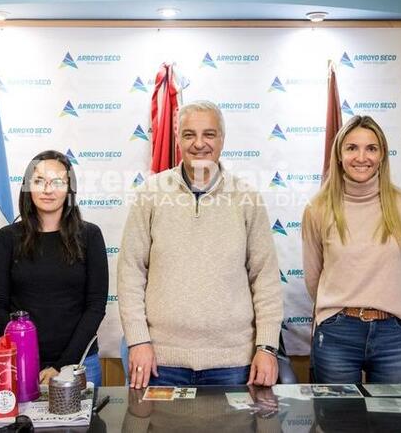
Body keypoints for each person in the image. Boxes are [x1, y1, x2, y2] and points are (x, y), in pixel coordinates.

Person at [118, 100, 283, 389]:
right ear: (178, 139)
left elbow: (266, 279)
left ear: (222, 139)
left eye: (209, 134)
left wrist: (267, 347)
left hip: (233, 362)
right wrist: (138, 340)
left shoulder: (247, 198)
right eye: (189, 134)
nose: (199, 144)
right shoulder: (151, 195)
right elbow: (130, 273)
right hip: (161, 361)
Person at [302, 115, 401, 384]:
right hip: (337, 334)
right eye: (351, 148)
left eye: (371, 148)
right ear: (339, 155)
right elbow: (314, 278)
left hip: (394, 333)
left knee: (397, 422)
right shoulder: (318, 208)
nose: (361, 157)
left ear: (382, 155)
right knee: (339, 423)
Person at [0, 150, 108, 385]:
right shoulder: (7, 238)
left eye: (57, 182)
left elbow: (96, 306)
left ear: (70, 189)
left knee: (84, 424)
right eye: (39, 180)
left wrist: (62, 365)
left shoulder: (90, 235)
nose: (48, 189)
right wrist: (29, 359)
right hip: (19, 363)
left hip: (80, 363)